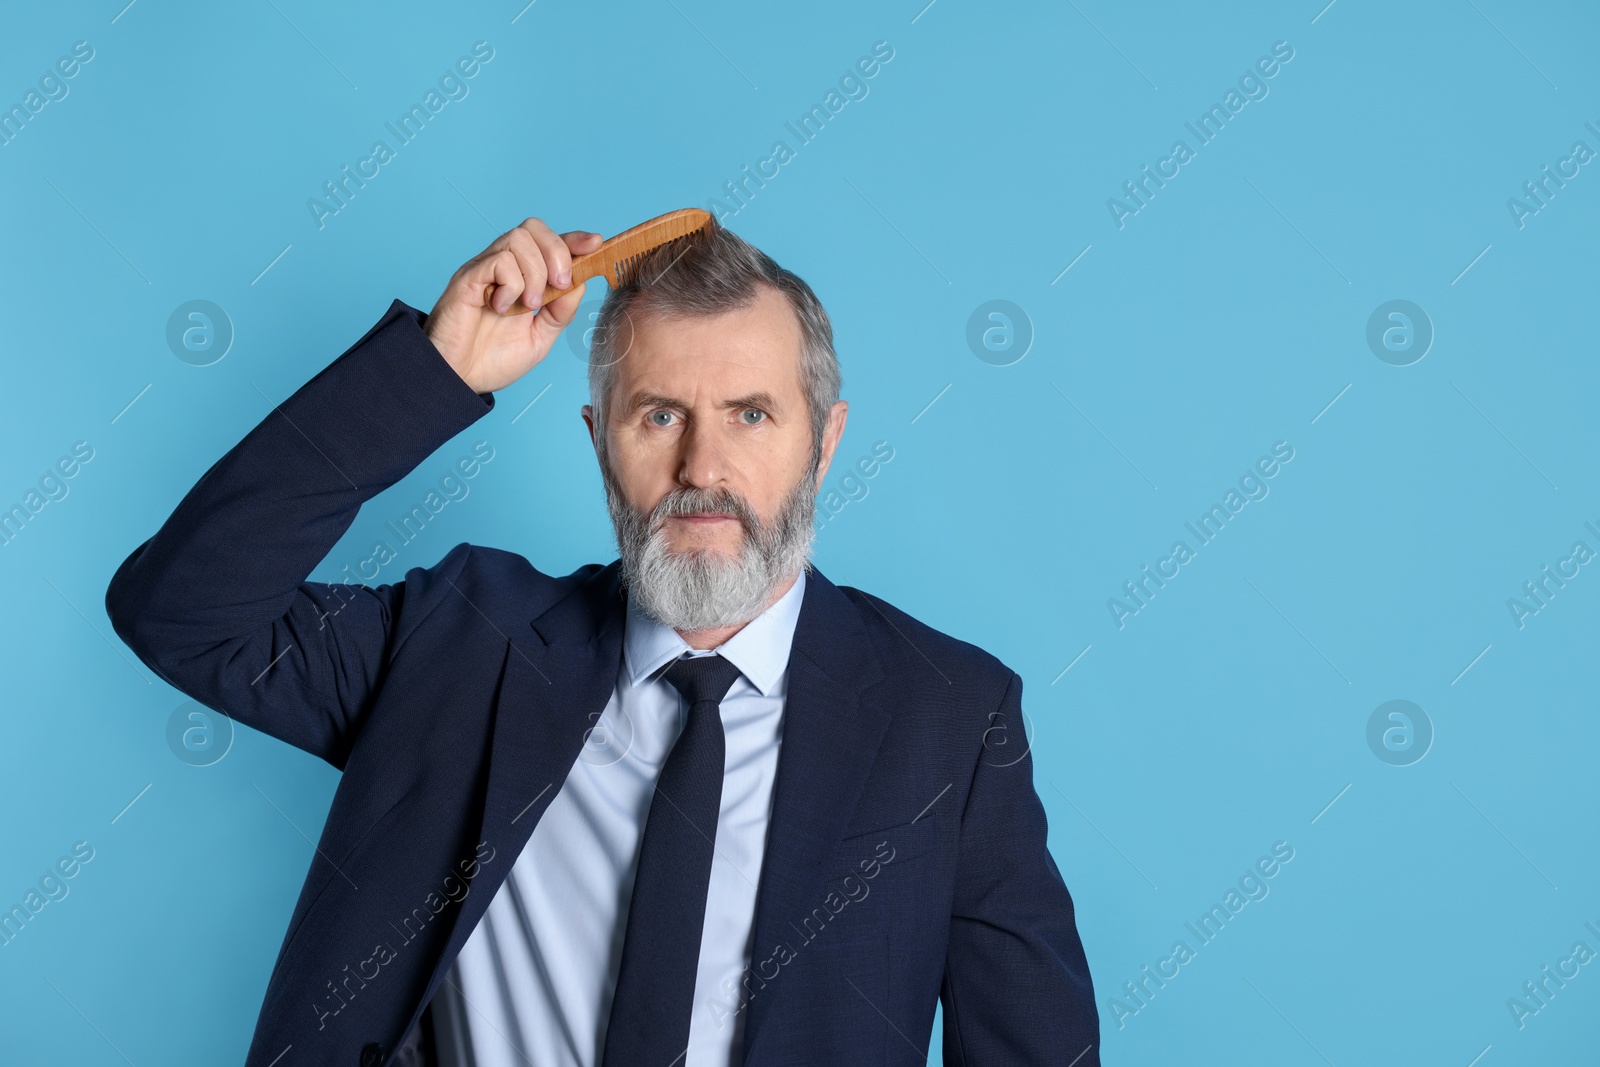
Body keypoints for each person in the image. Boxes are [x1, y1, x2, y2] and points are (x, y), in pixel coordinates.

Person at [105, 216, 1099, 1066]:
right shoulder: (459, 637)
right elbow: (183, 611)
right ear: (596, 436)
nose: (700, 465)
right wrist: (437, 369)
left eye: (750, 413)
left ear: (825, 439)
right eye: (658, 413)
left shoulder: (949, 716)